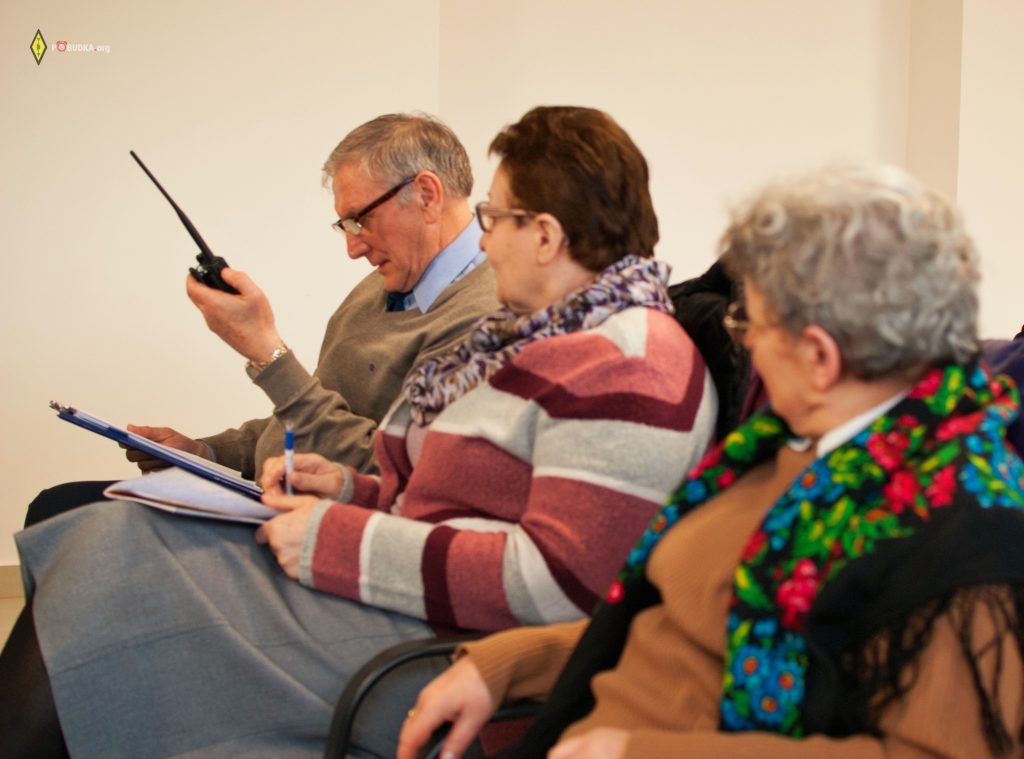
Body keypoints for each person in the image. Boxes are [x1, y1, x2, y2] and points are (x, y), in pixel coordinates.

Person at [0, 106, 718, 758]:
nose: (483, 236)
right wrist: (349, 488)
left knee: (119, 574)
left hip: (448, 651)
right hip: (411, 605)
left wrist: (335, 537)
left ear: (546, 236)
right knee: (117, 547)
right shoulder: (543, 337)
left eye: (495, 217)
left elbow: (556, 585)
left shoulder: (628, 365)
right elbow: (447, 499)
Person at [398, 165, 1024, 759]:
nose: (745, 342)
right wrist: (505, 665)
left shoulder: (963, 541)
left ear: (820, 359)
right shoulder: (783, 449)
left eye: (752, 323)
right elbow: (671, 628)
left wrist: (641, 752)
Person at [24, 112, 499, 523]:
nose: (353, 248)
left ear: (426, 194)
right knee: (58, 505)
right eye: (345, 226)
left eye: (360, 220)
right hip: (274, 495)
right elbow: (314, 413)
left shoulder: (486, 320)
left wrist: (267, 353)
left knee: (68, 516)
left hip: (325, 527)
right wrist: (208, 454)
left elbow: (391, 473)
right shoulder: (386, 283)